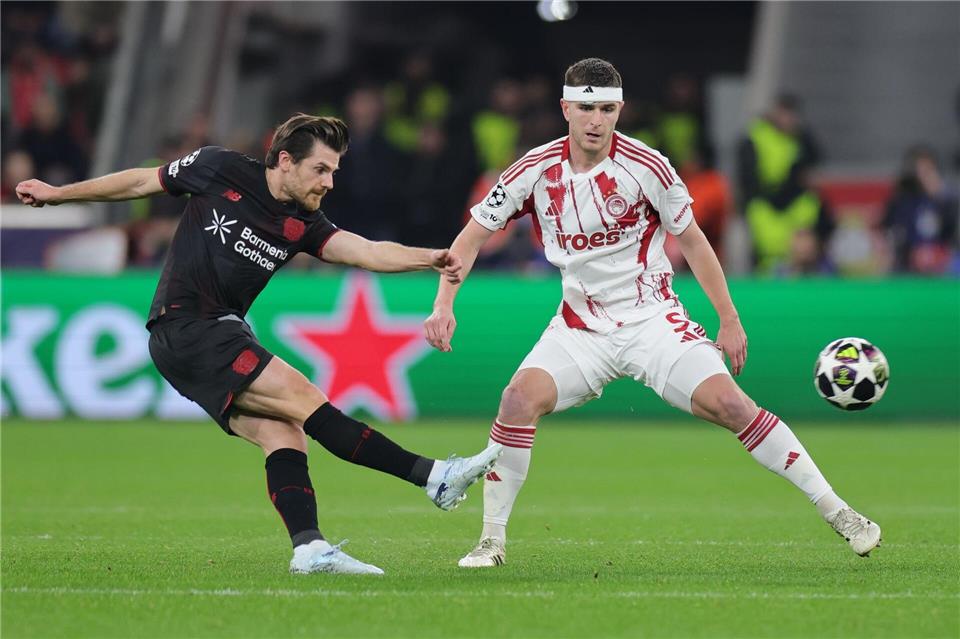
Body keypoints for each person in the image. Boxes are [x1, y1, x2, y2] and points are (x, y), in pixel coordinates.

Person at [423, 59, 881, 568]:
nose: (596, 120)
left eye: (606, 109)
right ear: (565, 109)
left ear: (619, 110)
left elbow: (695, 241)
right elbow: (470, 238)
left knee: (732, 406)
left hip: (652, 321)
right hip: (579, 328)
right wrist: (443, 304)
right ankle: (491, 541)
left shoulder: (648, 166)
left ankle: (839, 511)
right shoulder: (533, 170)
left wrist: (729, 318)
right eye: (586, 108)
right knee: (516, 400)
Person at [16, 113, 502, 576]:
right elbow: (142, 182)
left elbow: (366, 251)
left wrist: (429, 258)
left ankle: (309, 548)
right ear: (285, 160)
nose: (329, 182)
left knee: (284, 434)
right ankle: (434, 477)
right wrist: (59, 194)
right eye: (321, 169)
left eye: (334, 171)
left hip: (200, 338)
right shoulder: (218, 167)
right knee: (308, 400)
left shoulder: (304, 222)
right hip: (190, 325)